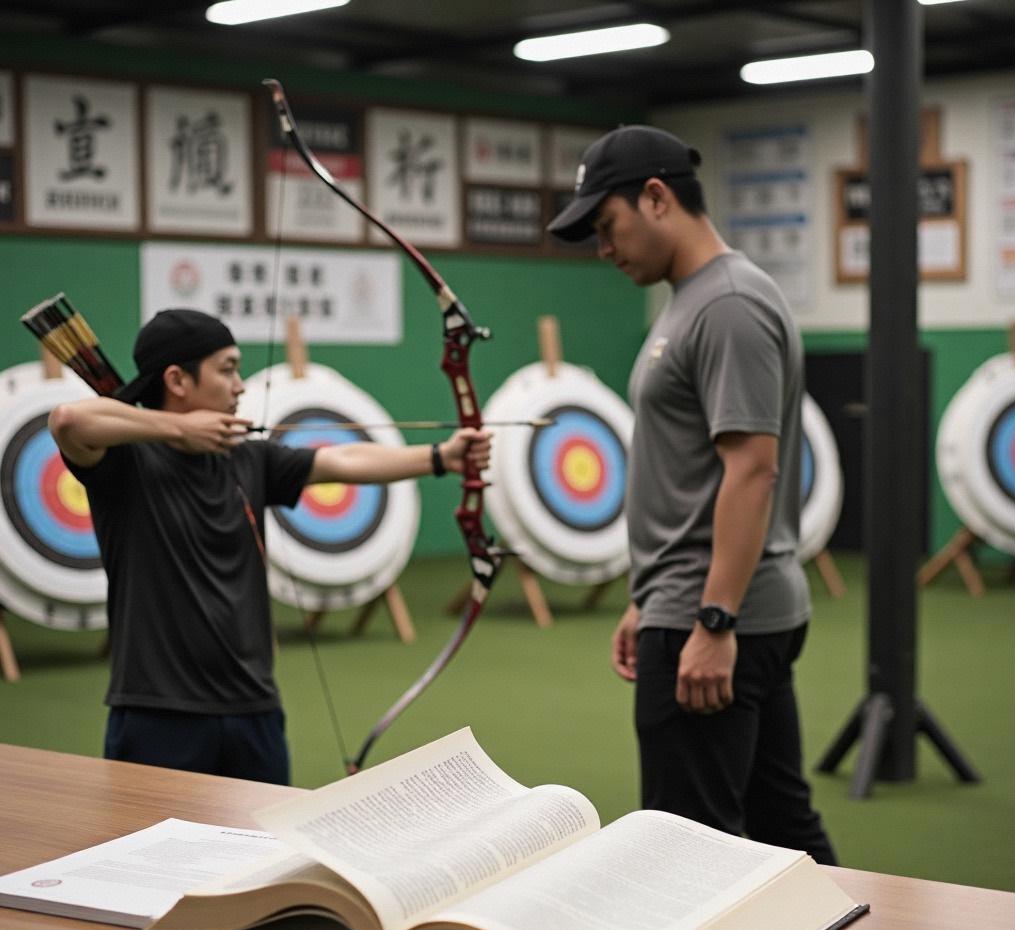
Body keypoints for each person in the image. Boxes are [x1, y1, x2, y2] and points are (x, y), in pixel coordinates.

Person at [548, 125, 836, 864]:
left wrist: (710, 619)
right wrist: (651, 598)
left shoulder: (728, 304)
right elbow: (694, 474)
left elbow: (752, 470)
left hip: (715, 617)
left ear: (656, 197)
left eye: (607, 227)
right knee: (779, 826)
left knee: (687, 851)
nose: (604, 250)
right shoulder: (696, 300)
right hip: (699, 602)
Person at [48, 308, 491, 786]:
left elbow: (341, 459)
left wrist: (438, 457)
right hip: (159, 712)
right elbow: (70, 419)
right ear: (177, 380)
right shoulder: (124, 462)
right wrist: (178, 429)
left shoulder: (247, 458)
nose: (240, 385)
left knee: (263, 856)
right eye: (227, 368)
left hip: (254, 708)